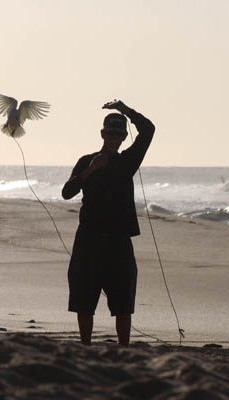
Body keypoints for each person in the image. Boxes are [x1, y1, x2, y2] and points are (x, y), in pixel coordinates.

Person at [62, 99, 155, 346]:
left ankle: (124, 348)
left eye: (119, 134)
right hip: (89, 239)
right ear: (102, 134)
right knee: (84, 298)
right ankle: (85, 346)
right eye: (110, 133)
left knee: (123, 301)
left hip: (119, 241)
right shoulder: (86, 161)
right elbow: (67, 192)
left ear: (124, 137)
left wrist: (125, 110)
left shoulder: (128, 162)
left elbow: (148, 130)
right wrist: (90, 171)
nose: (114, 138)